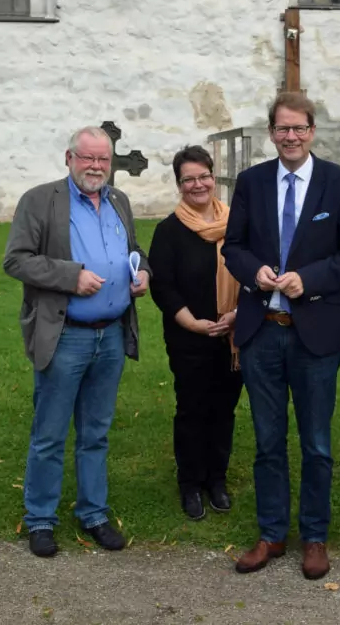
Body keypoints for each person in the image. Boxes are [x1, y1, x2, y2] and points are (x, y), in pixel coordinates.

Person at [221, 91, 340, 580]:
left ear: (312, 131)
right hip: (261, 331)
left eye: (299, 128)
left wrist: (311, 279)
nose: (291, 136)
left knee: (316, 443)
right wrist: (253, 273)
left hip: (315, 334)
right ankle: (271, 533)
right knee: (267, 441)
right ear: (271, 133)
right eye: (282, 128)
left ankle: (314, 536)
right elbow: (233, 247)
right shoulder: (252, 182)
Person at [3, 125, 150, 558]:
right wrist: (72, 277)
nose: (96, 166)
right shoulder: (40, 200)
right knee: (49, 433)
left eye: (103, 159)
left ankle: (94, 513)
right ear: (69, 158)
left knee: (96, 433)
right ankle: (40, 519)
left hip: (111, 336)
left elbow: (134, 250)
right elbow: (16, 260)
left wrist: (143, 273)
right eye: (88, 158)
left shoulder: (119, 200)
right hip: (66, 335)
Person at [147, 145, 242, 521]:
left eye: (204, 176)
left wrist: (236, 316)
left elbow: (253, 272)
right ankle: (189, 483)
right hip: (189, 337)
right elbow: (163, 285)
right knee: (192, 410)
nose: (198, 184)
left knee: (224, 409)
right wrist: (191, 322)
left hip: (233, 335)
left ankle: (216, 479)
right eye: (189, 179)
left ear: (214, 178)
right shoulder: (169, 231)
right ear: (179, 184)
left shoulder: (237, 224)